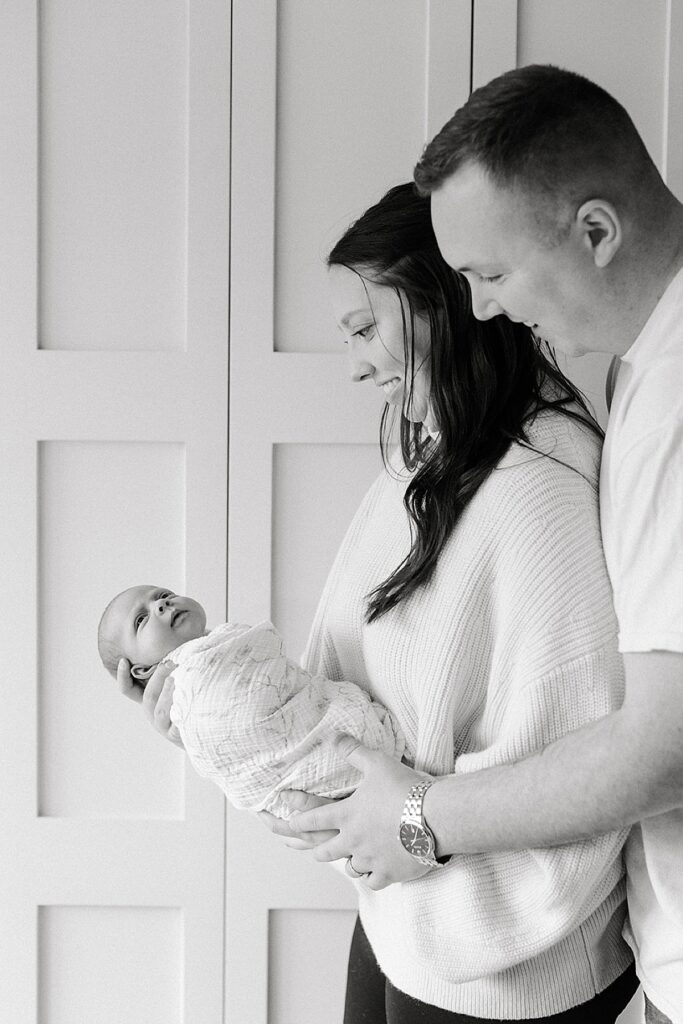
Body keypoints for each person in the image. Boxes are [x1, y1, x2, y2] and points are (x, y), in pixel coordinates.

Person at [120, 182, 638, 1021]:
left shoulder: (540, 486)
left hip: (505, 961)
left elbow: (586, 770)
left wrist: (405, 823)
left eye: (365, 329)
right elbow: (351, 688)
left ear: (452, 301)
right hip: (409, 915)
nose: (356, 363)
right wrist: (210, 704)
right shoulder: (427, 451)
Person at [284, 67, 683, 1024]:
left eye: (492, 275)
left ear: (594, 231)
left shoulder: (639, 423)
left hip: (529, 950)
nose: (485, 309)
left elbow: (657, 745)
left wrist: (416, 818)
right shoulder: (641, 370)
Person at [98, 584, 403, 816]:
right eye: (141, 620)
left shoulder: (229, 645)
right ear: (140, 670)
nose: (161, 604)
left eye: (163, 595)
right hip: (337, 791)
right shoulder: (186, 703)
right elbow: (234, 750)